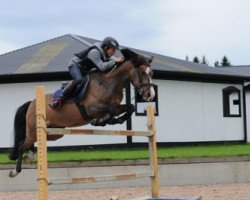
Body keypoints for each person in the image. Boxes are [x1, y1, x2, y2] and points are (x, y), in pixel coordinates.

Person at [49, 37, 124, 110]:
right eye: (113, 50)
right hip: (75, 65)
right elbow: (102, 67)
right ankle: (59, 99)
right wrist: (115, 61)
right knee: (78, 79)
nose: (114, 52)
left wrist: (121, 60)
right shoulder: (95, 52)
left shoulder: (105, 53)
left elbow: (113, 59)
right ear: (106, 47)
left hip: (85, 69)